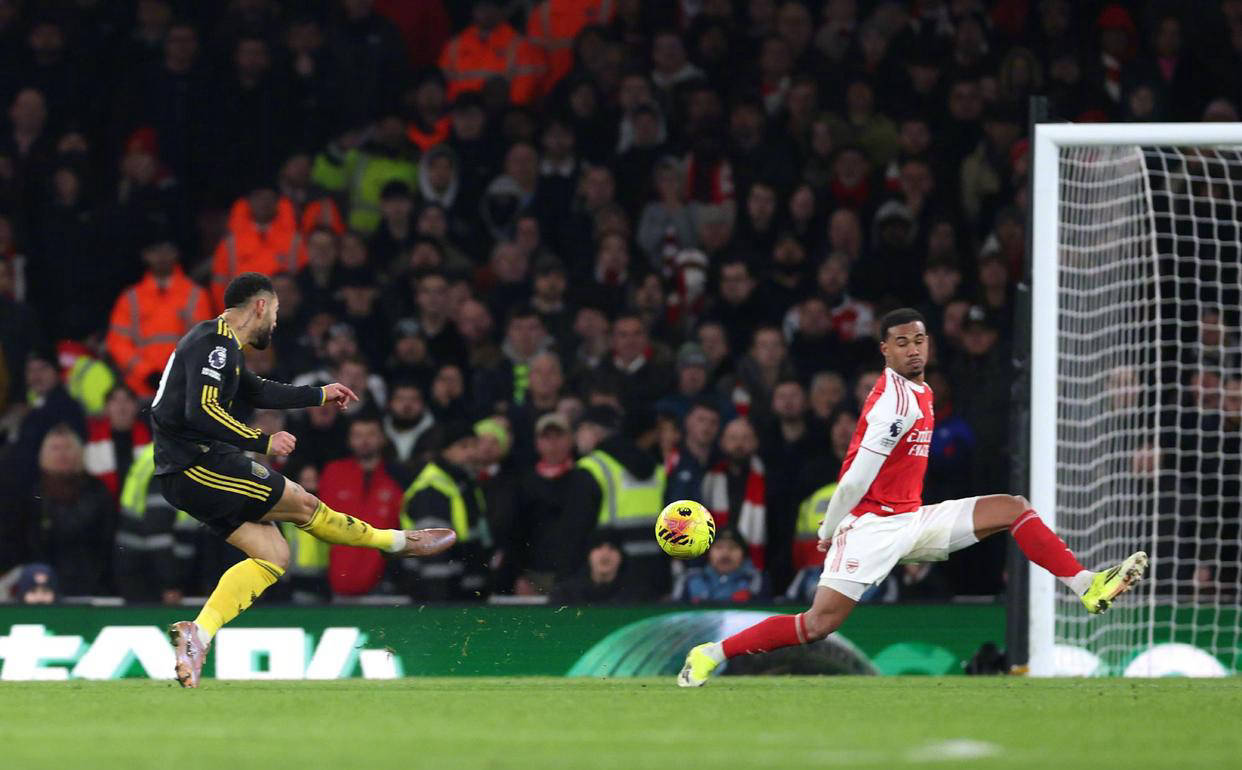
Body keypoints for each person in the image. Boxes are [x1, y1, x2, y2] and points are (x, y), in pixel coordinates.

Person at [677, 308, 1149, 686]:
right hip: (869, 527)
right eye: (901, 342)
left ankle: (1086, 585)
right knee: (817, 625)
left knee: (1014, 509)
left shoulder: (921, 391)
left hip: (911, 519)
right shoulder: (895, 404)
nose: (913, 349)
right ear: (884, 349)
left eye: (919, 340)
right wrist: (830, 527)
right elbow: (854, 480)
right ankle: (711, 652)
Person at [155, 273, 455, 688]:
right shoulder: (216, 345)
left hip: (190, 471)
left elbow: (257, 391)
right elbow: (201, 411)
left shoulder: (219, 344)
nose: (276, 322)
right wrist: (263, 440)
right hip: (197, 465)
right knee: (304, 504)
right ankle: (398, 543)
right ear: (261, 306)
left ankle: (198, 635)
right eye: (275, 311)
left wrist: (319, 394)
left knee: (274, 555)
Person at [672, 527, 768, 603]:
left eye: (733, 547)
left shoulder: (756, 580)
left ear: (743, 554)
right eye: (719, 547)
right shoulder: (690, 579)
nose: (725, 553)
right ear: (709, 552)